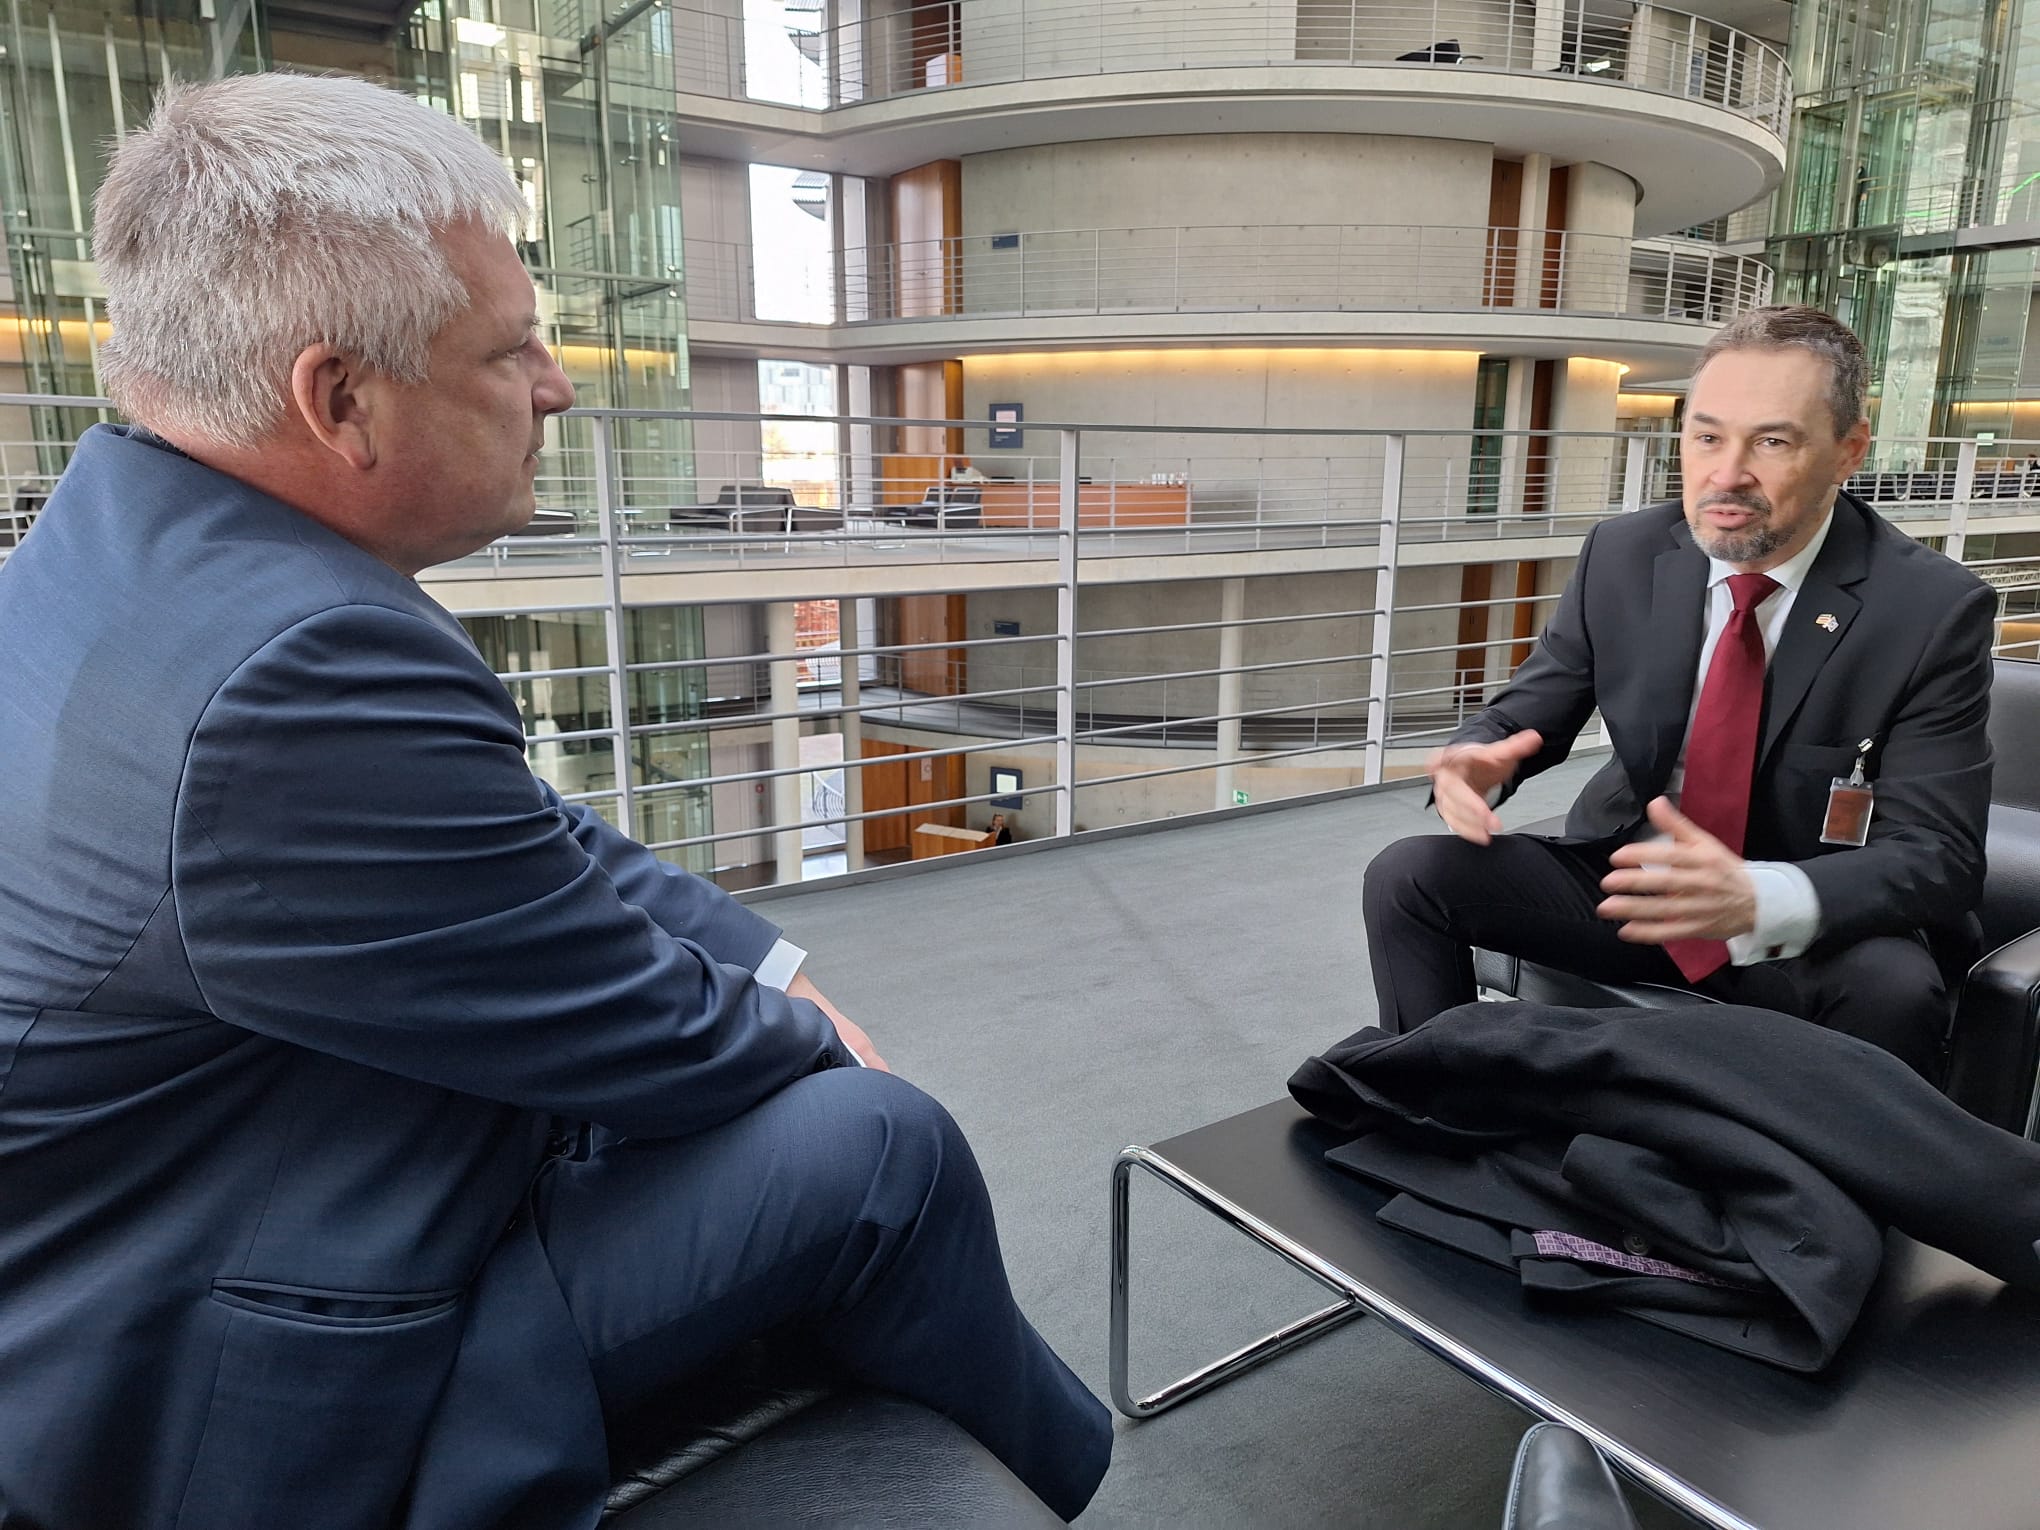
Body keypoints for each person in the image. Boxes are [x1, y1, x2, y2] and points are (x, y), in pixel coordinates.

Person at [0, 75, 1109, 1530]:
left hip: (232, 1156)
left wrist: (773, 959)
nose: (558, 386)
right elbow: (660, 1040)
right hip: (206, 1348)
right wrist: (809, 1038)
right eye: (510, 348)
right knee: (881, 1146)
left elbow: (521, 831)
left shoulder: (124, 550)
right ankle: (1069, 1481)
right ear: (339, 400)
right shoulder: (296, 670)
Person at [1363, 305, 1994, 1078]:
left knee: (1894, 989)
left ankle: (1824, 1159)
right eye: (1706, 436)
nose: (1726, 474)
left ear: (1848, 451)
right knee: (1409, 876)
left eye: (1772, 441)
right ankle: (1435, 1104)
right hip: (1635, 883)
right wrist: (1480, 757)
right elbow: (1531, 710)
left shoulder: (1931, 610)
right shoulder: (1625, 553)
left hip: (1793, 907)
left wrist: (1761, 896)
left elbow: (1939, 856)